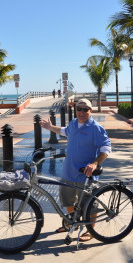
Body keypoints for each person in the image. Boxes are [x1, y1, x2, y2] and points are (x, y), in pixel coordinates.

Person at [40, 99, 111, 242]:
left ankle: (91, 230)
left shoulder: (96, 128)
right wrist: (50, 127)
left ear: (91, 111)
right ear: (76, 110)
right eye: (79, 109)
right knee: (67, 201)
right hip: (68, 171)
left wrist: (95, 164)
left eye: (86, 109)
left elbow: (106, 148)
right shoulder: (73, 124)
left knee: (89, 205)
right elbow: (64, 131)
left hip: (86, 174)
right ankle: (72, 223)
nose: (82, 112)